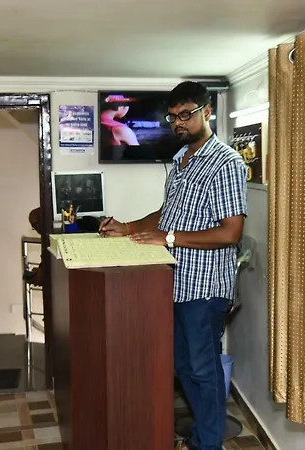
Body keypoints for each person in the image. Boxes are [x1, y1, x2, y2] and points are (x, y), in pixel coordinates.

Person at [99, 81, 248, 450]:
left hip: (205, 288)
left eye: (186, 114)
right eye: (173, 117)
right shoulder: (181, 159)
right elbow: (168, 214)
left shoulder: (225, 162)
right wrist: (128, 228)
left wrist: (167, 238)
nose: (178, 122)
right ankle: (202, 437)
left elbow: (231, 232)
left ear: (207, 112)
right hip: (175, 284)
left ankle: (208, 445)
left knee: (203, 369)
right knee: (183, 367)